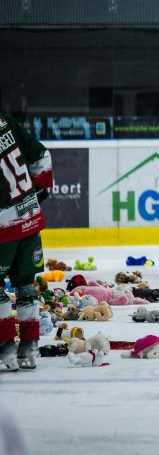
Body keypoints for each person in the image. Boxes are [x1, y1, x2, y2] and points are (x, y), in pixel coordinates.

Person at [0, 115, 52, 371]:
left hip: (3, 225)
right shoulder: (7, 122)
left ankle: (6, 349)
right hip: (30, 217)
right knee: (26, 287)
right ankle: (29, 349)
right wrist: (37, 192)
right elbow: (42, 155)